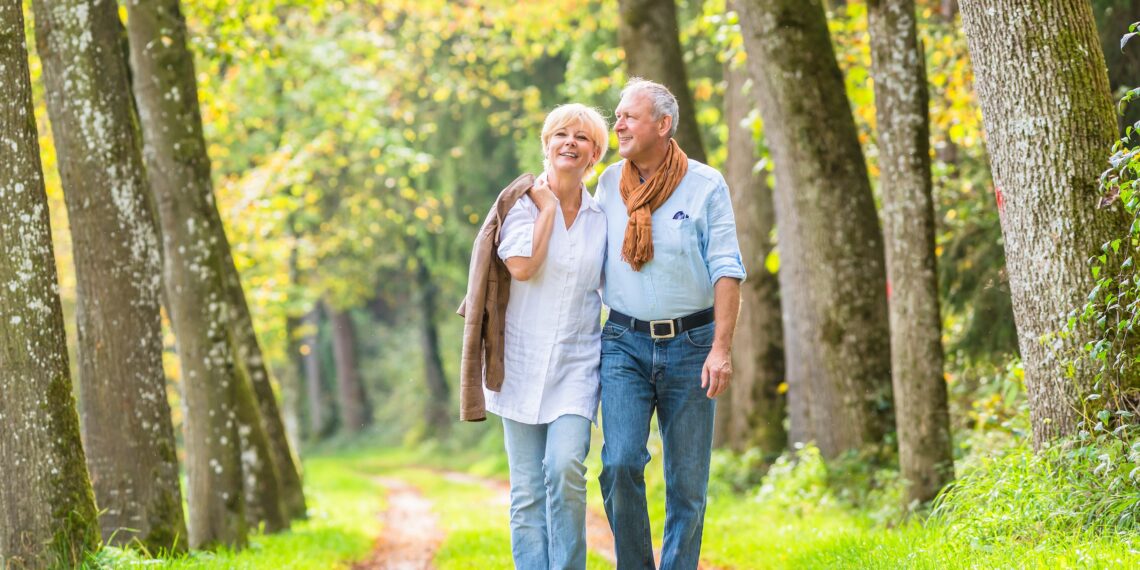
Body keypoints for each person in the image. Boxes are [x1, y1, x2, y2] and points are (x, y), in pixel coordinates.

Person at [594, 78, 746, 569]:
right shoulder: (606, 185)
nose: (617, 124)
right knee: (618, 464)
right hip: (623, 343)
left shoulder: (705, 185)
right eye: (617, 115)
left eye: (628, 116)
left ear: (662, 125)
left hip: (693, 345)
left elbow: (727, 267)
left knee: (687, 483)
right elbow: (575, 253)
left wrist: (720, 348)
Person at [471, 103, 609, 570]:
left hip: (577, 362)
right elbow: (524, 268)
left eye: (582, 137)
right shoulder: (521, 206)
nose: (570, 142)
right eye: (561, 134)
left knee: (565, 468)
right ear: (547, 146)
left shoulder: (603, 214)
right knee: (528, 489)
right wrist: (549, 207)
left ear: (594, 154)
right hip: (521, 363)